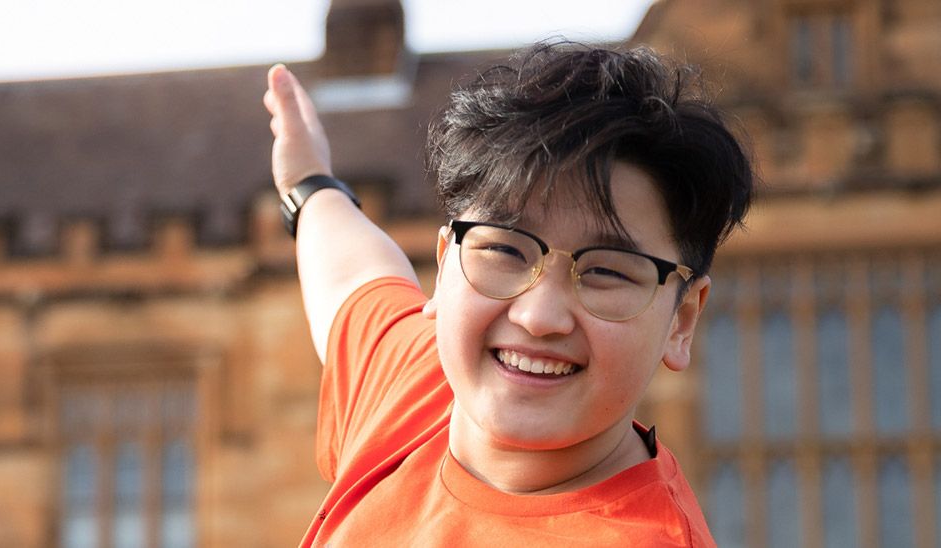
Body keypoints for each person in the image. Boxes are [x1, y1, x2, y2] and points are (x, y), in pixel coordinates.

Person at [262, 43, 753, 546]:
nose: (539, 316)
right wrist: (309, 184)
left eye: (607, 272)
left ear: (682, 321)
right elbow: (349, 269)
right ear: (444, 264)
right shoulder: (417, 385)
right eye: (503, 249)